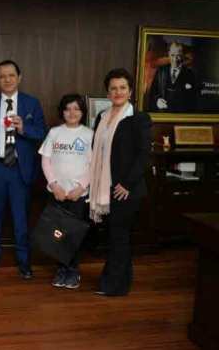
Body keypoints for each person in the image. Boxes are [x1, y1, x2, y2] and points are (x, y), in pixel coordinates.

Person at [0, 60, 46, 279]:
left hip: (19, 170)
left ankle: (24, 263)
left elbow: (42, 133)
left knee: (21, 220)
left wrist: (24, 128)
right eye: (2, 76)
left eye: (11, 75)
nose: (7, 80)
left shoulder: (31, 103)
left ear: (19, 78)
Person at [89, 68, 152, 296]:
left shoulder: (138, 118)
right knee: (116, 237)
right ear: (107, 93)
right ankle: (121, 281)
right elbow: (97, 151)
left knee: (119, 236)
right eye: (113, 88)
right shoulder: (102, 117)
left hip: (125, 190)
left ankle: (113, 286)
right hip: (105, 187)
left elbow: (143, 155)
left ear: (130, 91)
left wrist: (126, 184)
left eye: (122, 88)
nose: (118, 92)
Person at [39, 94, 92, 289]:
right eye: (68, 109)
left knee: (74, 233)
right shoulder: (55, 133)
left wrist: (81, 187)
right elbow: (45, 161)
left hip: (77, 195)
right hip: (57, 193)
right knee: (58, 233)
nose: (72, 113)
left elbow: (94, 165)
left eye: (76, 109)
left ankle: (73, 270)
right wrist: (54, 185)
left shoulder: (89, 134)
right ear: (62, 112)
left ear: (82, 112)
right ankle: (61, 269)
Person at [149, 42, 197, 112]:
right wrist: (157, 101)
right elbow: (152, 94)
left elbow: (194, 100)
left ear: (183, 56)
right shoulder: (160, 71)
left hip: (181, 115)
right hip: (163, 114)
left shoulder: (190, 74)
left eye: (178, 56)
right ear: (168, 54)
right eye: (172, 55)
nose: (175, 59)